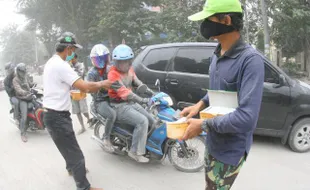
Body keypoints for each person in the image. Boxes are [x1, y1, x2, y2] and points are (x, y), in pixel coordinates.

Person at [181, 0, 265, 189]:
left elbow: (247, 117)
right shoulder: (217, 53)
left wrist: (201, 125)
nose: (204, 26)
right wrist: (199, 105)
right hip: (213, 140)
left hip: (230, 150)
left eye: (208, 20)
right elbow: (219, 92)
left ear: (226, 20)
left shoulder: (251, 62)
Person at [43, 32, 110, 190]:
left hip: (50, 114)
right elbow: (86, 86)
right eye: (73, 50)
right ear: (67, 49)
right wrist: (102, 84)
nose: (74, 54)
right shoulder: (62, 65)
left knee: (65, 147)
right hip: (58, 116)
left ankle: (71, 169)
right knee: (76, 153)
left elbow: (64, 86)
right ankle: (84, 187)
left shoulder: (51, 62)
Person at [108, 44, 155, 163]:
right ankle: (134, 151)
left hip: (130, 103)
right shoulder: (113, 74)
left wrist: (150, 92)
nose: (129, 64)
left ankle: (143, 144)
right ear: (117, 62)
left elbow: (137, 82)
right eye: (125, 62)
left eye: (129, 61)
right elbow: (124, 93)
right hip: (119, 106)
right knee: (142, 121)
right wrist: (142, 100)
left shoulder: (129, 70)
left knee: (152, 120)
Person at [87, 44, 116, 153]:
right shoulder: (91, 74)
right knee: (111, 114)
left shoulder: (109, 70)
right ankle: (106, 137)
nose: (102, 61)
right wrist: (102, 87)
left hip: (111, 98)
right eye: (99, 59)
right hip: (100, 101)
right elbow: (91, 91)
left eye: (104, 58)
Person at [12, 63, 34, 142]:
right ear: (18, 71)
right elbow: (18, 90)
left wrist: (33, 84)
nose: (23, 73)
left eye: (24, 71)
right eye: (22, 71)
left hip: (30, 96)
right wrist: (25, 92)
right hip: (22, 99)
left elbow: (30, 85)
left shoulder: (25, 77)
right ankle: (23, 133)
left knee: (41, 105)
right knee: (24, 116)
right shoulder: (15, 80)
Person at [70, 53, 91, 135]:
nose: (71, 60)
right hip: (72, 92)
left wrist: (71, 68)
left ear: (76, 58)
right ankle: (82, 127)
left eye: (72, 58)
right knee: (77, 111)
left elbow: (78, 75)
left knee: (84, 109)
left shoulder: (81, 65)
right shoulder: (68, 67)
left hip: (80, 91)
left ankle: (89, 119)